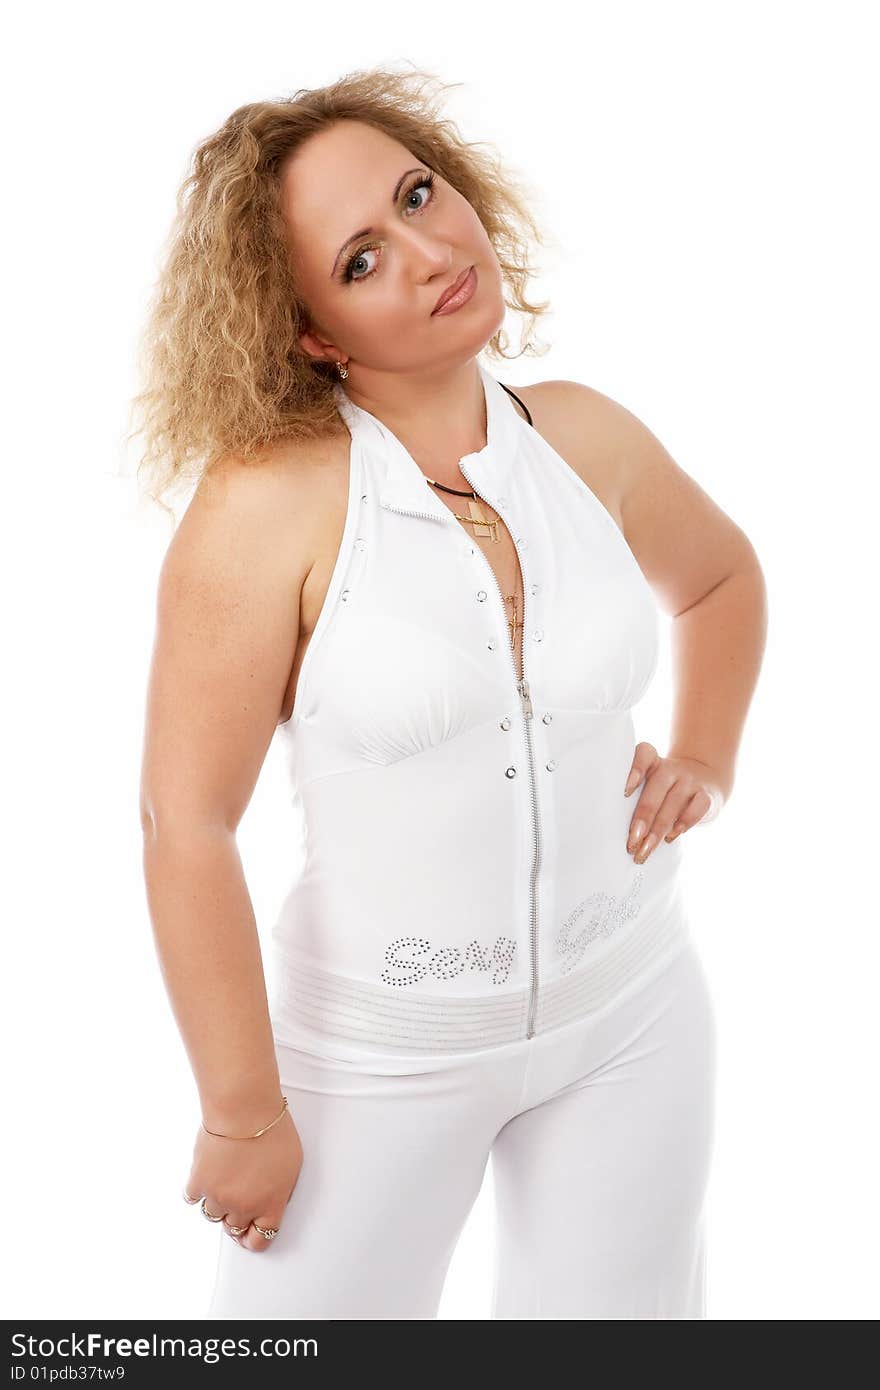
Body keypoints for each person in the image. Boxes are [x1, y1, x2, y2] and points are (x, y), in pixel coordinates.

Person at [133, 67, 767, 1320]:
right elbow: (183, 823)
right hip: (374, 1060)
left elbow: (721, 578)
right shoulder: (267, 504)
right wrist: (241, 1108)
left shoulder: (584, 436)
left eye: (419, 195)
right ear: (311, 329)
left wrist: (706, 752)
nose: (430, 252)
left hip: (630, 1014)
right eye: (362, 259)